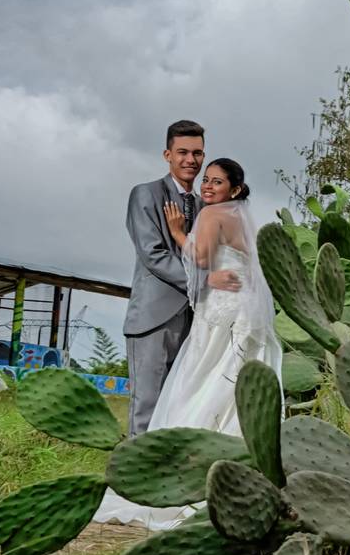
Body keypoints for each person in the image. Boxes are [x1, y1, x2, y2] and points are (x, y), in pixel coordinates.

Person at [95, 158, 282, 529]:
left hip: (221, 314)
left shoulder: (213, 215)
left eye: (217, 181)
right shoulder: (241, 217)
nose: (208, 187)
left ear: (236, 189)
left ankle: (184, 475)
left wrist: (179, 232)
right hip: (243, 310)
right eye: (206, 181)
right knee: (234, 385)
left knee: (201, 381)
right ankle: (240, 475)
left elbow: (199, 258)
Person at [121, 120, 241, 437]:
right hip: (153, 320)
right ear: (168, 154)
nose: (191, 160)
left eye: (198, 153)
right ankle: (135, 480)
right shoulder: (145, 194)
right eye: (183, 152)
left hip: (197, 324)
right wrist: (207, 281)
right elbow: (153, 255)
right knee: (146, 408)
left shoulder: (207, 206)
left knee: (180, 408)